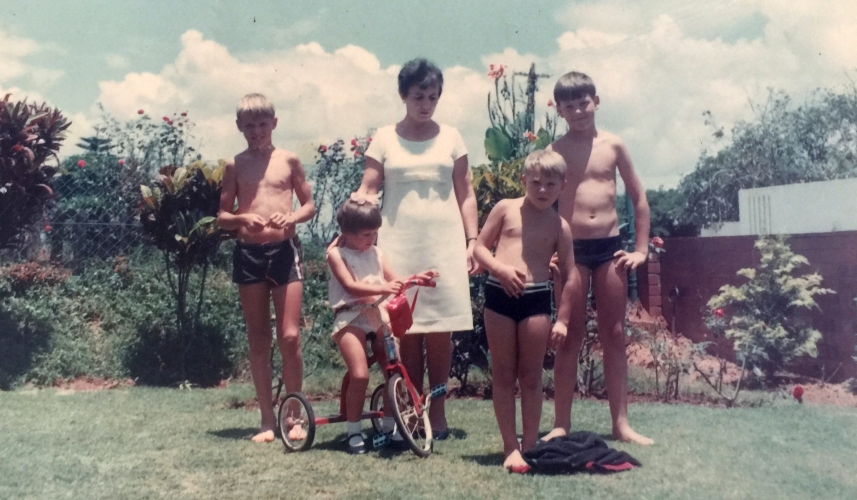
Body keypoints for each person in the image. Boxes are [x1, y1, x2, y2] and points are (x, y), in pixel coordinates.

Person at [355, 58, 480, 438]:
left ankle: (437, 413)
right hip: (398, 244)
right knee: (405, 330)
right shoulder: (385, 137)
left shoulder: (452, 137)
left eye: (432, 97)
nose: (425, 104)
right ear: (402, 96)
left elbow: (466, 192)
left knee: (440, 332)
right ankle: (409, 413)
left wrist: (472, 241)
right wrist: (355, 217)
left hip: (443, 245)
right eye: (418, 96)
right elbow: (369, 187)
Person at [543, 71, 654, 446]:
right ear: (559, 110)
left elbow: (639, 199)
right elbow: (541, 204)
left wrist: (641, 249)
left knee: (615, 334)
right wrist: (548, 253)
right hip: (570, 252)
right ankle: (561, 423)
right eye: (569, 105)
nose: (578, 110)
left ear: (596, 101)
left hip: (610, 249)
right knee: (569, 337)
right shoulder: (555, 151)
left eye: (583, 102)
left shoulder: (614, 146)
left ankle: (621, 424)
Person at [217, 93, 315, 443]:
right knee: (258, 338)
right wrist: (243, 217)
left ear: (274, 123)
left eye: (262, 124)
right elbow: (222, 218)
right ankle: (265, 420)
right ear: (239, 128)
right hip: (249, 253)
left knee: (289, 336)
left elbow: (309, 206)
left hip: (285, 252)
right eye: (249, 125)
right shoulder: (234, 165)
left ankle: (293, 415)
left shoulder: (288, 160)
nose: (256, 131)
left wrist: (289, 217)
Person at [473, 150, 576, 472]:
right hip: (499, 296)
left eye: (550, 183)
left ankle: (530, 445)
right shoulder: (506, 209)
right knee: (503, 374)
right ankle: (510, 447)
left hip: (536, 300)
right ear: (523, 181)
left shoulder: (560, 226)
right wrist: (500, 270)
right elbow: (478, 247)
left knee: (531, 377)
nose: (542, 190)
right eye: (535, 183)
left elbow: (571, 276)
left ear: (562, 184)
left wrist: (563, 320)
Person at [327, 194, 437, 454]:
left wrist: (414, 278)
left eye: (374, 233)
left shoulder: (376, 253)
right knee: (360, 374)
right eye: (365, 235)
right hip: (350, 315)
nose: (371, 239)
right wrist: (383, 288)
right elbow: (350, 286)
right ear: (346, 233)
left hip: (377, 315)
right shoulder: (336, 254)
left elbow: (394, 280)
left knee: (394, 370)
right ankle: (353, 430)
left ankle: (392, 426)